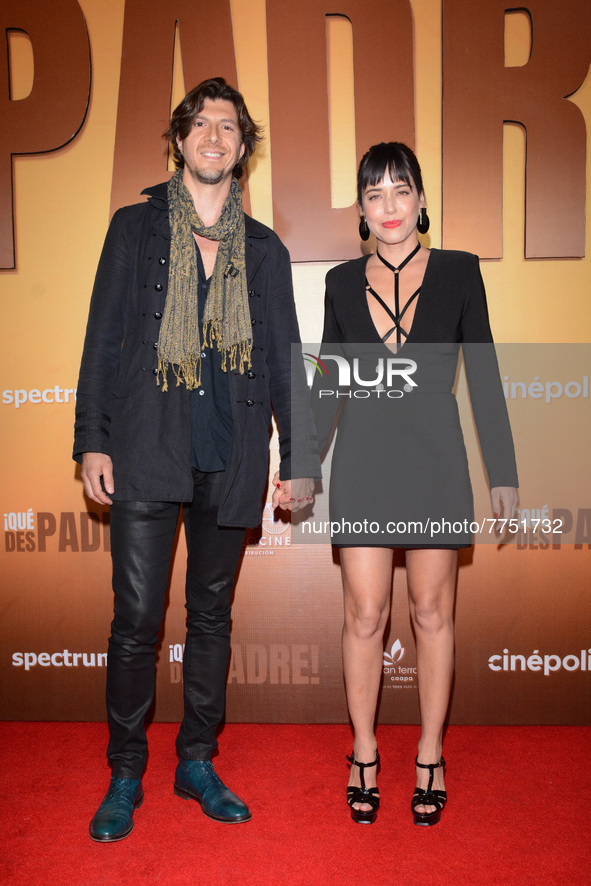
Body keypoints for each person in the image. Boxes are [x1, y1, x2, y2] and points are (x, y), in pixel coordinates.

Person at [74, 77, 319, 842]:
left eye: (228, 127)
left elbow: (283, 360)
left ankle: (197, 760)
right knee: (138, 620)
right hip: (147, 442)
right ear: (179, 140)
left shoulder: (266, 249)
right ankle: (125, 773)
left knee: (211, 617)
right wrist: (91, 438)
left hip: (232, 446)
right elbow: (104, 340)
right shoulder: (134, 228)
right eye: (201, 124)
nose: (214, 136)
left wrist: (301, 455)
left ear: (243, 148)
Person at [311, 142, 518, 826]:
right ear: (362, 213)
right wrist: (300, 465)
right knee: (364, 616)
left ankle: (429, 753)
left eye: (400, 191)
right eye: (374, 195)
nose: (389, 206)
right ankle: (363, 752)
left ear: (421, 200)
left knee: (431, 614)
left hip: (434, 464)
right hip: (366, 465)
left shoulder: (460, 273)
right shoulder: (340, 282)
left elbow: (482, 375)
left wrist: (504, 473)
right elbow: (328, 386)